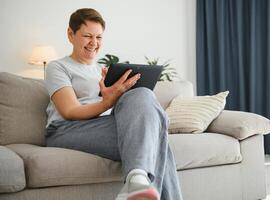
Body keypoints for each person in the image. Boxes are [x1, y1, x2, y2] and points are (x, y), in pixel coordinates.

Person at [45, 8, 183, 200]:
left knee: (141, 93)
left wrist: (118, 97)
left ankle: (137, 182)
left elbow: (115, 108)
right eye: (87, 36)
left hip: (98, 125)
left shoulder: (102, 72)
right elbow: (69, 111)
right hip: (64, 129)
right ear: (71, 34)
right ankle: (136, 184)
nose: (94, 43)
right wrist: (107, 102)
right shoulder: (57, 67)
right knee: (157, 135)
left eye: (99, 37)